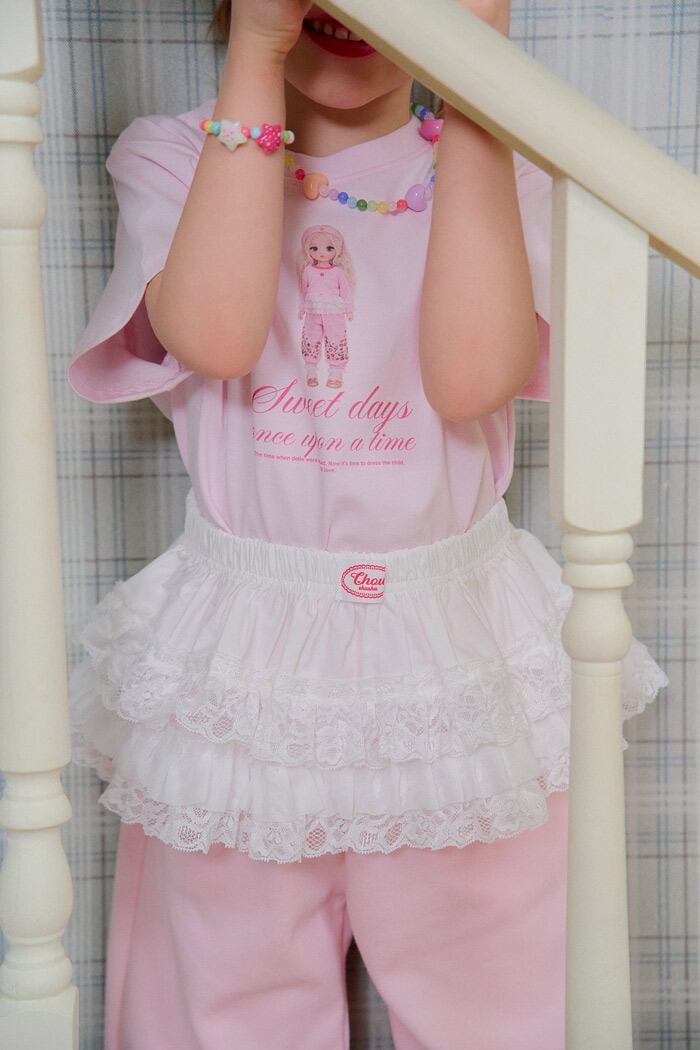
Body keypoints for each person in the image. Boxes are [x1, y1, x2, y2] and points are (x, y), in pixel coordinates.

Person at [65, 2, 669, 1048]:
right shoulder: (176, 158)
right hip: (242, 657)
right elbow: (215, 336)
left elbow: (469, 379)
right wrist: (258, 52)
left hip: (457, 653)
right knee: (216, 1003)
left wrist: (476, 86)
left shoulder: (508, 168)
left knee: (506, 1003)